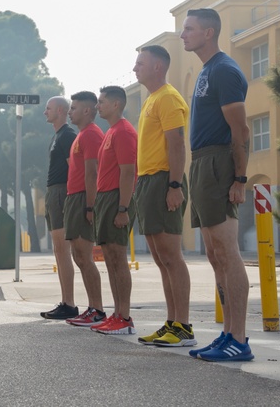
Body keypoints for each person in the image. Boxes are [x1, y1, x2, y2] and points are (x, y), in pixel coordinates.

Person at [180, 8, 253, 362]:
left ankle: (238, 338)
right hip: (202, 162)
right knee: (213, 254)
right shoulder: (207, 70)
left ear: (209, 33)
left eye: (189, 29)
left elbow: (241, 130)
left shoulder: (224, 69)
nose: (183, 35)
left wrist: (240, 178)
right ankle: (227, 334)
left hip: (219, 162)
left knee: (227, 251)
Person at [132, 45, 195, 347]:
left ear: (158, 66)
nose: (135, 68)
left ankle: (183, 326)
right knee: (160, 258)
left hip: (163, 180)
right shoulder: (151, 100)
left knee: (171, 255)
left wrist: (174, 185)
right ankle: (171, 322)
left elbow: (177, 144)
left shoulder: (168, 97)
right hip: (147, 181)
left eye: (140, 63)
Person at [88, 86, 138, 335]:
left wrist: (123, 208)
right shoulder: (111, 132)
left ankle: (125, 316)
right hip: (105, 198)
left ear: (116, 104)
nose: (98, 106)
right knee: (109, 258)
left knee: (118, 259)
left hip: (117, 198)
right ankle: (116, 314)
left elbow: (129, 171)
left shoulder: (124, 132)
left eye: (102, 102)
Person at [62, 91, 107, 328]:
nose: (70, 111)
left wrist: (91, 206)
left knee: (84, 256)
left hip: (83, 199)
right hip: (74, 198)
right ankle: (92, 307)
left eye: (74, 107)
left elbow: (93, 173)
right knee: (78, 256)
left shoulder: (91, 135)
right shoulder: (81, 135)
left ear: (87, 111)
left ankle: (97, 309)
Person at [41, 96, 79, 320]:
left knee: (64, 250)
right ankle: (66, 301)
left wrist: (72, 199)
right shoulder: (57, 136)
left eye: (49, 108)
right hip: (54, 191)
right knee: (59, 250)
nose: (45, 112)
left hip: (63, 193)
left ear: (61, 111)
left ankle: (70, 303)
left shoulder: (68, 136)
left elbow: (74, 168)